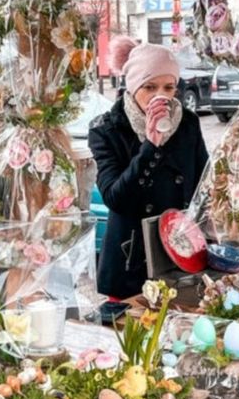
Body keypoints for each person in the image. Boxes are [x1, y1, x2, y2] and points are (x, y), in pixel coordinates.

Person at [89, 36, 209, 321]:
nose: (161, 96)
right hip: (130, 259)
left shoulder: (188, 123)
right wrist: (151, 146)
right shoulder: (107, 129)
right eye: (150, 87)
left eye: (169, 87)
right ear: (132, 87)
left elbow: (203, 185)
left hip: (178, 254)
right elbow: (115, 198)